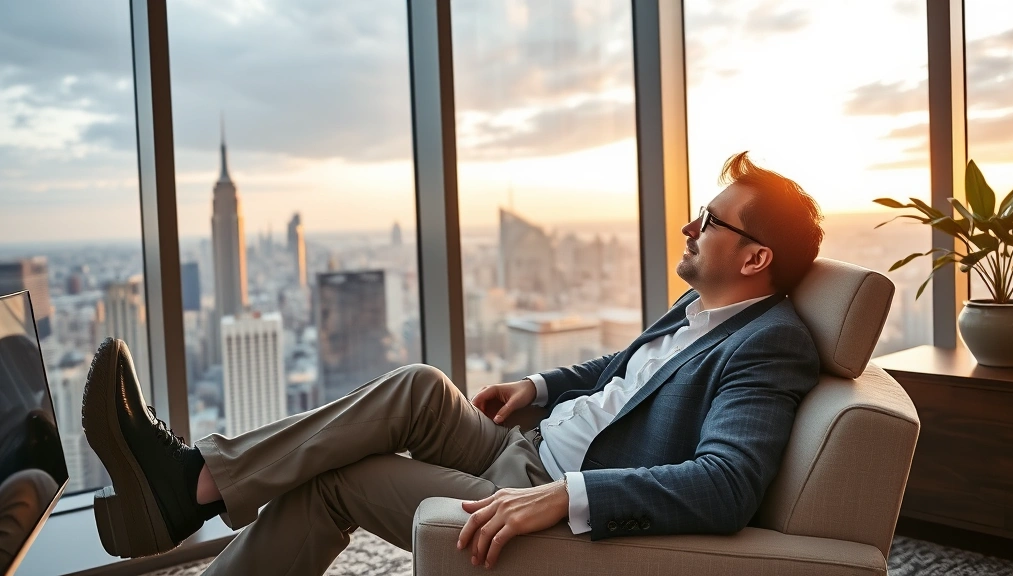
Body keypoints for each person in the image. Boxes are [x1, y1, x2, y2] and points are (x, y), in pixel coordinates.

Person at [81, 151, 824, 575]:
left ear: (756, 257)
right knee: (419, 387)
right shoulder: (705, 311)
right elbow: (623, 374)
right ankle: (197, 483)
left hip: (548, 493)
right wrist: (536, 386)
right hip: (527, 450)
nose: (691, 223)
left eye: (713, 219)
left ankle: (189, 490)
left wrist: (565, 498)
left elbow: (725, 485)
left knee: (342, 484)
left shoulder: (769, 343)